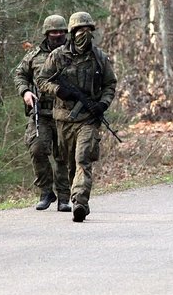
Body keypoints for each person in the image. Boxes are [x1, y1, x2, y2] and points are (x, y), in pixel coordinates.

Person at [35, 12, 118, 223]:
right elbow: (42, 81)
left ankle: (80, 201)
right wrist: (58, 90)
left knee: (83, 159)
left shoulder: (99, 57)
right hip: (63, 119)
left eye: (89, 30)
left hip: (88, 119)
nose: (85, 34)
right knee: (69, 162)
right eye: (81, 31)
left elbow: (110, 84)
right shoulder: (58, 56)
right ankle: (72, 194)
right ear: (72, 33)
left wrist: (103, 103)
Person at [13, 15, 72, 212]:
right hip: (42, 112)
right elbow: (19, 74)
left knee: (63, 155)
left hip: (65, 112)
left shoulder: (73, 53)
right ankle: (46, 191)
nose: (58, 35)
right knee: (37, 148)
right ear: (47, 34)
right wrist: (25, 91)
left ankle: (64, 197)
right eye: (54, 32)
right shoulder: (34, 56)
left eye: (61, 32)